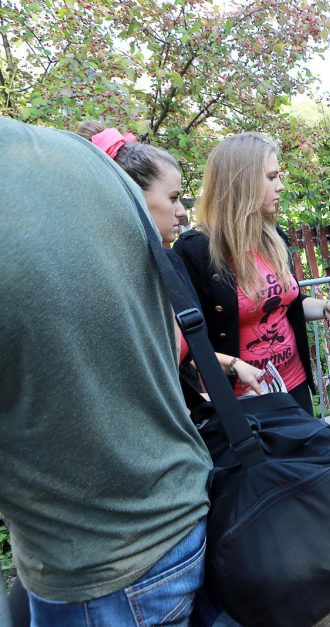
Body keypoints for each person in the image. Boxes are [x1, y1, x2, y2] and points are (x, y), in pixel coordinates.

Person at [1, 118, 212, 623]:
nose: (183, 211)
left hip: (100, 561)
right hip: (174, 508)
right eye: (175, 197)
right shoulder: (78, 158)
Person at [75, 122, 268, 392]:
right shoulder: (97, 284)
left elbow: (180, 359)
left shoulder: (169, 265)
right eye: (173, 198)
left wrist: (233, 365)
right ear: (131, 199)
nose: (182, 212)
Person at [174, 133, 330, 414]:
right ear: (242, 182)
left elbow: (287, 304)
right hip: (244, 400)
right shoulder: (195, 251)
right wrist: (234, 365)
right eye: (271, 177)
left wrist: (325, 307)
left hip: (294, 387)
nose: (280, 186)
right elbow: (187, 343)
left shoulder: (273, 236)